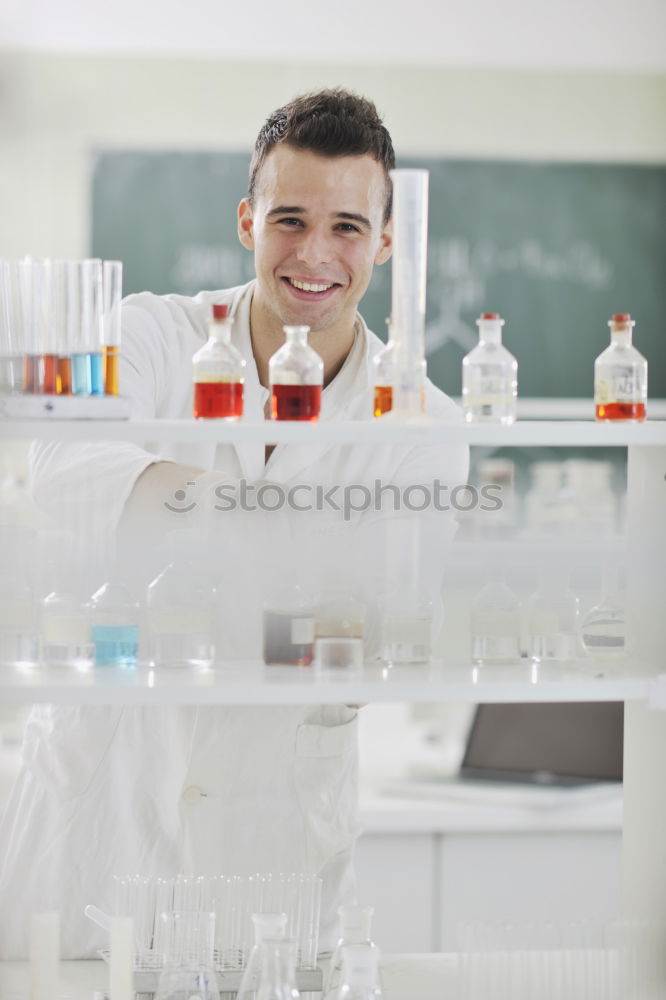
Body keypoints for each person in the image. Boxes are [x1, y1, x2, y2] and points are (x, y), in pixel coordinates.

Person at [0, 89, 468, 959]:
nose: (316, 255)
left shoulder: (425, 425)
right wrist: (284, 530)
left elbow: (371, 625)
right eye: (290, 219)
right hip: (92, 825)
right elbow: (65, 474)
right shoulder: (147, 334)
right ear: (249, 219)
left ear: (389, 241)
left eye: (349, 228)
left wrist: (169, 515)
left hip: (270, 853)